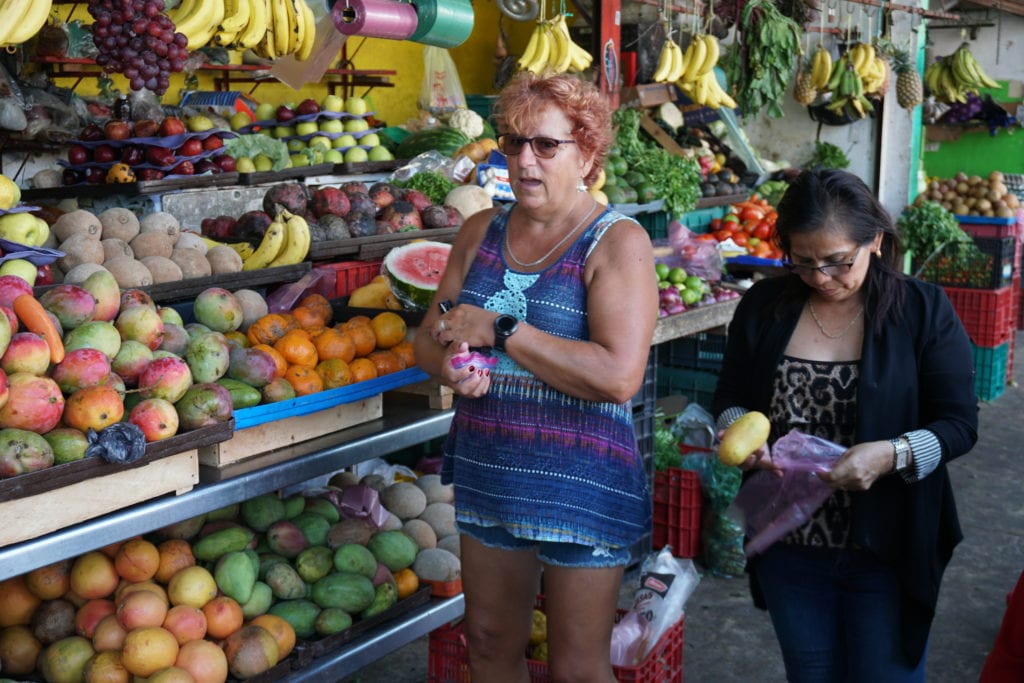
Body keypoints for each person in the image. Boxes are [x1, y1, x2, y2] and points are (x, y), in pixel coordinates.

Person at [413, 71, 657, 682]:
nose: (524, 159)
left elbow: (619, 376)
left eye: (546, 145)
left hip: (581, 481)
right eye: (513, 142)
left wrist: (501, 330)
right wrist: (450, 362)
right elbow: (428, 336)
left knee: (576, 668)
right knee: (491, 643)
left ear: (588, 154)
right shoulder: (479, 231)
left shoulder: (616, 243)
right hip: (490, 470)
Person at [712, 168, 978, 682]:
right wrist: (735, 432)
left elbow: (959, 424)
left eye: (838, 262)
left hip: (889, 545)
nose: (821, 277)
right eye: (804, 262)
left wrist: (893, 454)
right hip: (789, 544)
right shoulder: (764, 306)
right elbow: (732, 396)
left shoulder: (922, 310)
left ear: (874, 240)